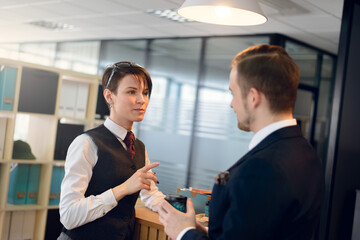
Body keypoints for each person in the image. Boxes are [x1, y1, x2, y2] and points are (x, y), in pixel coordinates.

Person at [158, 44, 325, 240]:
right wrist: (201, 231)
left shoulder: (262, 169)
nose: (231, 104)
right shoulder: (305, 152)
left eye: (233, 93)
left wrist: (184, 233)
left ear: (253, 97)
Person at [58, 61, 165, 240]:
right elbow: (68, 216)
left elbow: (150, 194)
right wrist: (122, 189)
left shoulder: (139, 147)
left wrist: (180, 211)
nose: (142, 100)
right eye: (131, 92)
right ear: (109, 96)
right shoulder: (86, 143)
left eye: (145, 93)